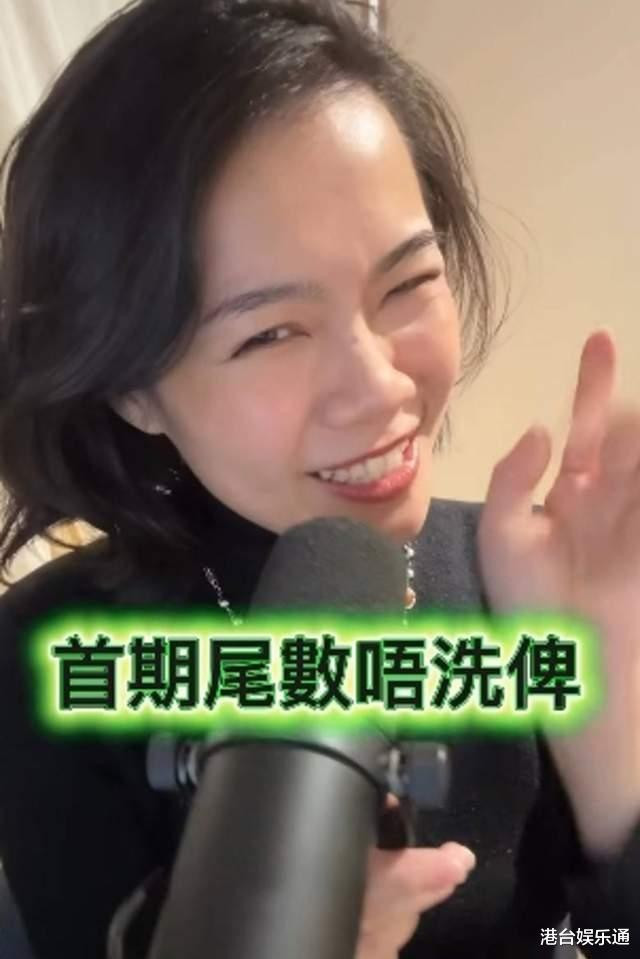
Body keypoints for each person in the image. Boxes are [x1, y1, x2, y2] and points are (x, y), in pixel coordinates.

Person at [0, 1, 638, 956]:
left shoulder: (541, 582)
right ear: (132, 387)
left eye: (408, 283)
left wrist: (611, 743)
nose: (381, 387)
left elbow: (592, 939)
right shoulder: (52, 654)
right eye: (269, 333)